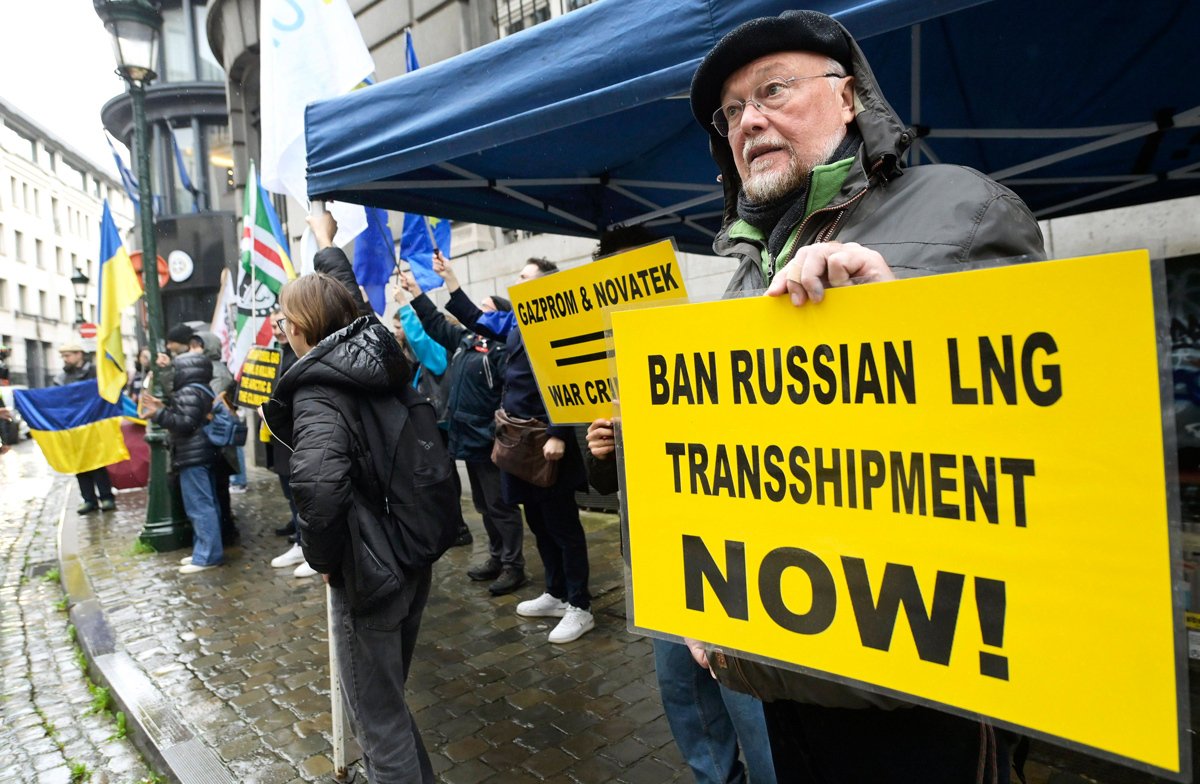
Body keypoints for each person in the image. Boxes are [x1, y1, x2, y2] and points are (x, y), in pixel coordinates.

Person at [683, 10, 1046, 783]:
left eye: (772, 90)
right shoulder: (745, 270)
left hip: (919, 693)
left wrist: (903, 320)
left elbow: (1042, 437)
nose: (749, 120)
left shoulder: (965, 207)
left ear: (848, 99)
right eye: (731, 111)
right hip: (780, 669)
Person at [263, 272, 435, 783]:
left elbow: (317, 486)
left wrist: (324, 559)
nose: (282, 324)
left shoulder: (318, 386)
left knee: (377, 723)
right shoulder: (378, 360)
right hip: (408, 552)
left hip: (367, 569)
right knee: (388, 703)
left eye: (284, 315)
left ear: (300, 325)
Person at [435, 253, 594, 644]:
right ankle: (556, 593)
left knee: (563, 526)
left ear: (544, 285)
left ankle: (580, 605)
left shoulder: (560, 324)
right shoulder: (519, 323)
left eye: (525, 277)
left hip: (546, 442)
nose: (517, 282)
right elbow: (478, 320)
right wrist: (452, 280)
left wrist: (559, 431)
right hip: (520, 443)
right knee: (539, 522)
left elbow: (571, 375)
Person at [402, 271, 528, 596]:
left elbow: (509, 392)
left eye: (488, 309)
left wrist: (495, 429)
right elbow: (433, 322)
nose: (480, 312)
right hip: (467, 439)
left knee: (501, 506)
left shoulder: (501, 347)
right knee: (485, 506)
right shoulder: (465, 341)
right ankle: (497, 557)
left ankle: (514, 567)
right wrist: (415, 292)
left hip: (489, 438)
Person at [139, 352, 224, 574]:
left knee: (199, 506)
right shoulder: (201, 388)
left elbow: (184, 424)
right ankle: (203, 550)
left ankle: (207, 556)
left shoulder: (188, 390)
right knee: (205, 504)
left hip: (193, 455)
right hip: (202, 453)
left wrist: (159, 415)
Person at [54, 342, 117, 514]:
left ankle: (106, 497)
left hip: (94, 424)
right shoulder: (61, 378)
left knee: (97, 462)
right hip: (74, 427)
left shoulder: (95, 372)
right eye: (63, 356)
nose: (65, 359)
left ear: (79, 354)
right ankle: (89, 499)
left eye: (68, 355)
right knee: (80, 464)